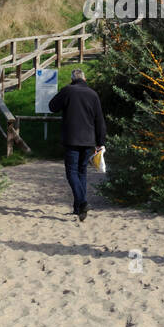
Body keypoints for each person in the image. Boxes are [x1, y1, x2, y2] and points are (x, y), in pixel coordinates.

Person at [48, 68, 107, 221]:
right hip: (88, 140)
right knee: (82, 172)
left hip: (72, 139)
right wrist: (101, 142)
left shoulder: (68, 90)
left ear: (72, 79)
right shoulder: (93, 94)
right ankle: (79, 209)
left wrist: (65, 91)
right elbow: (99, 120)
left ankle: (82, 202)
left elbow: (52, 107)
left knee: (71, 172)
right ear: (85, 79)